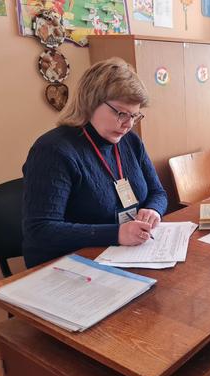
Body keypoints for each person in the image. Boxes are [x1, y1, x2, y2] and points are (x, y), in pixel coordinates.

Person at [22, 58, 167, 268]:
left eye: (135, 116)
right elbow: (40, 230)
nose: (128, 125)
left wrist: (153, 210)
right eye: (121, 113)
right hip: (67, 264)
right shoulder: (52, 151)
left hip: (123, 254)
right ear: (90, 102)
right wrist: (116, 233)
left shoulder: (130, 141)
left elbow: (158, 192)